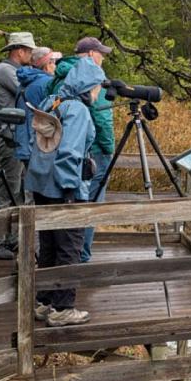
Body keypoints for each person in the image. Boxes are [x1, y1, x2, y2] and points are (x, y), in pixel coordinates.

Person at [25, 55, 105, 327]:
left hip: (41, 186)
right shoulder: (79, 110)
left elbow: (34, 141)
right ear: (88, 86)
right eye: (96, 86)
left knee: (49, 247)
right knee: (70, 247)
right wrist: (71, 190)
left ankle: (45, 301)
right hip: (64, 189)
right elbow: (70, 153)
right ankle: (63, 307)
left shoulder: (52, 102)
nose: (98, 92)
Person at [51, 37, 115, 262]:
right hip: (92, 151)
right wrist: (109, 149)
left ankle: (65, 255)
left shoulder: (62, 75)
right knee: (90, 202)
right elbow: (102, 116)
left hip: (58, 152)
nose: (103, 58)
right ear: (90, 54)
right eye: (100, 54)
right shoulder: (90, 79)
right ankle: (81, 254)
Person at [0, 31, 37, 260]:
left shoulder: (14, 71)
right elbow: (29, 93)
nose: (32, 54)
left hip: (18, 136)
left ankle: (11, 238)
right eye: (29, 51)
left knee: (17, 189)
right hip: (10, 136)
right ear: (19, 51)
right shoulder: (5, 70)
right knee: (6, 189)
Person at [13, 46, 60, 176]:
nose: (56, 66)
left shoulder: (24, 82)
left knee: (30, 187)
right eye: (53, 62)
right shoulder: (47, 83)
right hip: (37, 145)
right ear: (47, 65)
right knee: (41, 190)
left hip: (22, 142)